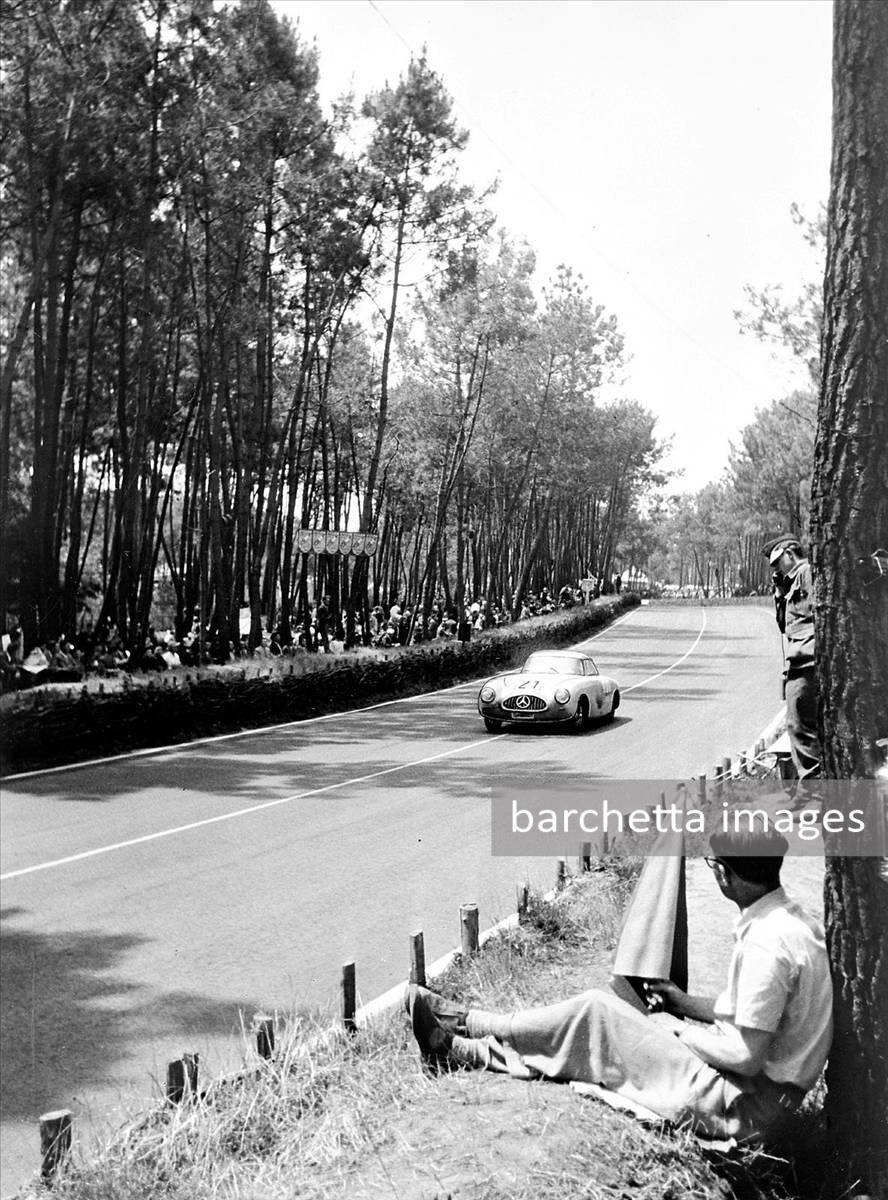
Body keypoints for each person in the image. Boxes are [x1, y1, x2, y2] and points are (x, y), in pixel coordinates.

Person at [405, 829, 832, 1147]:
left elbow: (746, 1056)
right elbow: (751, 1016)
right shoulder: (791, 923)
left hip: (743, 1107)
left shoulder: (765, 945)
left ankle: (470, 1026)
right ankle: (462, 1047)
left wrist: (680, 1029)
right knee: (601, 1030)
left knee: (597, 1013)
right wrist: (682, 1003)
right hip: (765, 1102)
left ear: (723, 873)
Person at [762, 535, 820, 802]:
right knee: (800, 723)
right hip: (798, 659)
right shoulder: (790, 582)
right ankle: (812, 789)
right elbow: (785, 625)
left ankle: (812, 792)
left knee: (798, 724)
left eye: (777, 563)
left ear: (788, 554)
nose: (776, 570)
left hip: (808, 657)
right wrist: (778, 593)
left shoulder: (807, 572)